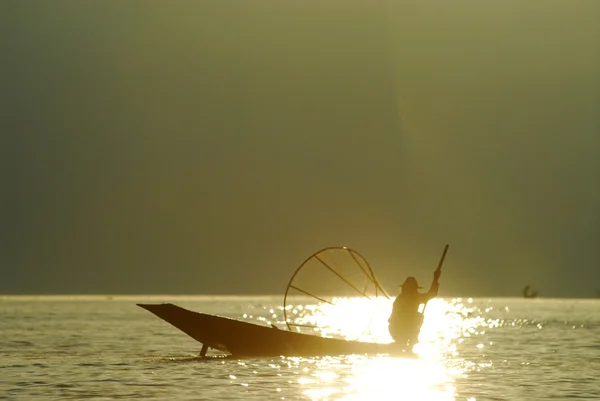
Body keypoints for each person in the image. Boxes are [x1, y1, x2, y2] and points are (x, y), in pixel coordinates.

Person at [388, 269, 441, 347]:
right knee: (418, 316)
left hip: (408, 330)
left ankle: (408, 343)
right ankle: (404, 341)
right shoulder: (401, 299)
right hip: (396, 329)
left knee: (418, 316)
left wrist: (435, 279)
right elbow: (399, 318)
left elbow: (431, 294)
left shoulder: (416, 297)